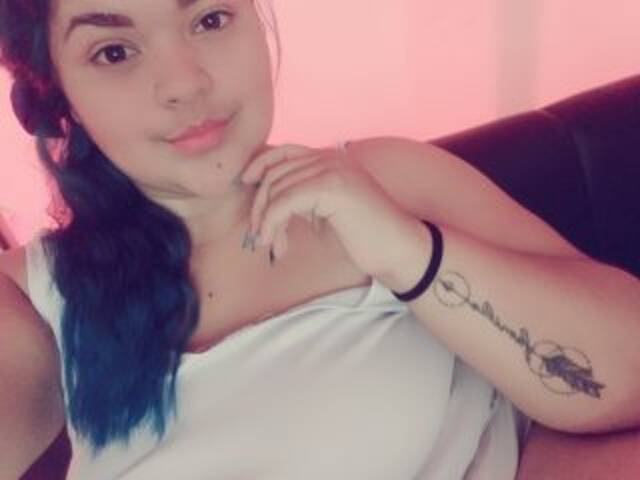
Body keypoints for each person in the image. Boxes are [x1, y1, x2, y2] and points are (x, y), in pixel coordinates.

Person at [0, 0, 638, 478]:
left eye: (211, 19)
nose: (185, 83)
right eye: (114, 52)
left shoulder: (388, 181)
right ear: (61, 94)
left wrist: (406, 251)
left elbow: (627, 371)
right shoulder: (38, 298)